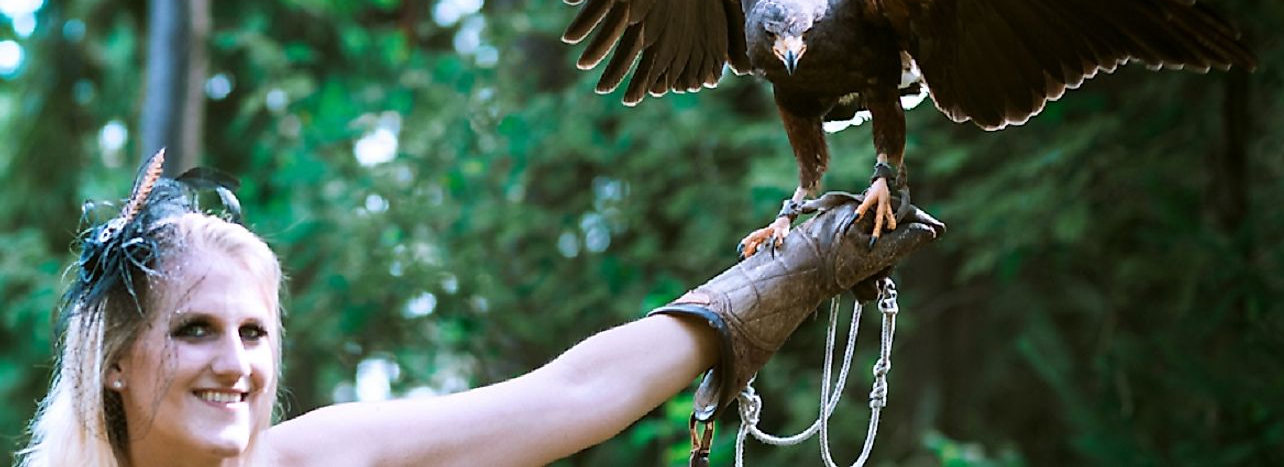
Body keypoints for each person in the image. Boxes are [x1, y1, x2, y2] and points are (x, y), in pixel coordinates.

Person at [17, 149, 942, 467]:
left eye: (255, 331)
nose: (238, 363)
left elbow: (569, 394)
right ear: (113, 355)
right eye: (194, 328)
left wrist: (756, 292)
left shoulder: (320, 456)